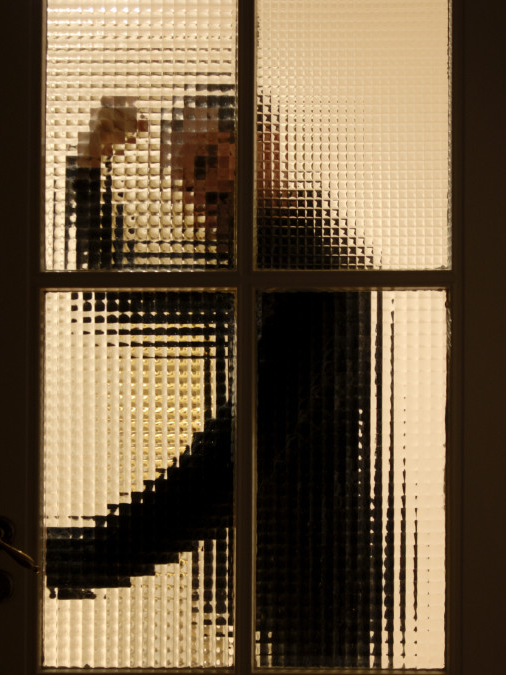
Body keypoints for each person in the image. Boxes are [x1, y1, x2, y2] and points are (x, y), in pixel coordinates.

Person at [46, 94, 406, 667]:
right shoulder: (257, 265)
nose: (198, 196)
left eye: (210, 162)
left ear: (266, 147)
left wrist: (85, 557)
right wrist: (88, 169)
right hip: (290, 592)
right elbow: (123, 298)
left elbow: (235, 458)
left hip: (321, 599)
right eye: (186, 183)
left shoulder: (307, 261)